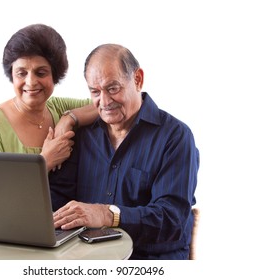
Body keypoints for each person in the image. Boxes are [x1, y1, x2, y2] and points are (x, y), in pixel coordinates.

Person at [50, 44, 200, 260]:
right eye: (95, 92)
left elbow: (171, 219)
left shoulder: (176, 137)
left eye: (113, 88)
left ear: (138, 79)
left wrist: (106, 214)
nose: (105, 102)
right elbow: (58, 200)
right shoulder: (83, 136)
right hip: (90, 260)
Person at [0, 24, 97, 171]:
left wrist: (69, 118)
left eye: (41, 73)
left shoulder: (59, 107)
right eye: (21, 73)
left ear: (55, 76)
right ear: (11, 74)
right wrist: (45, 161)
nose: (30, 82)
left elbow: (104, 105)